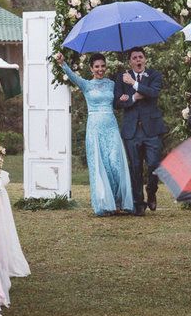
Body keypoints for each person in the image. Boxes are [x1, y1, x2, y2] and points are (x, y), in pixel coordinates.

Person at [57, 52, 134, 215]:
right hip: (95, 129)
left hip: (111, 126)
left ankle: (118, 202)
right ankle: (105, 204)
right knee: (101, 165)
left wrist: (124, 97)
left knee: (115, 163)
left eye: (103, 66)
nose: (100, 69)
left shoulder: (112, 84)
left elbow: (119, 100)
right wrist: (63, 63)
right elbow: (71, 76)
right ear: (91, 68)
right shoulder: (86, 84)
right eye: (97, 67)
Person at [114, 47, 165, 215]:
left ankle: (151, 192)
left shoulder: (154, 76)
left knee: (154, 165)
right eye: (134, 58)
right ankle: (138, 203)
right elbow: (117, 102)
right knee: (135, 167)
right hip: (131, 131)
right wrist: (133, 97)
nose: (138, 60)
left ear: (145, 59)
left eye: (140, 57)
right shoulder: (122, 78)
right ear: (130, 61)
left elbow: (153, 93)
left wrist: (134, 84)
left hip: (152, 130)